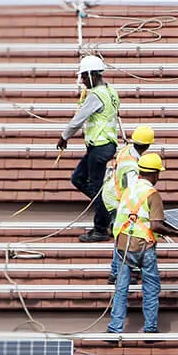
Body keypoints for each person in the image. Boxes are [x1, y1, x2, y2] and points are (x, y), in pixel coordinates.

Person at [107, 153, 178, 335]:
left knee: (121, 289)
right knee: (151, 288)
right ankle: (150, 328)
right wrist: (177, 234)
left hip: (123, 245)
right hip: (144, 246)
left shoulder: (129, 190)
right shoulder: (152, 194)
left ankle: (115, 328)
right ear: (155, 174)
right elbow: (156, 225)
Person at [57, 55, 120, 243]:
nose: (83, 81)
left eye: (84, 77)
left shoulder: (96, 95)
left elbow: (79, 119)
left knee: (96, 187)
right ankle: (108, 210)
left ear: (93, 75)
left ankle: (101, 228)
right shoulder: (110, 91)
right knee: (78, 178)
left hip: (100, 147)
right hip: (102, 146)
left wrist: (64, 137)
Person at [102, 125, 155, 285]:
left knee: (121, 234)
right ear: (147, 145)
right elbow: (133, 191)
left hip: (114, 194)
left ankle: (116, 271)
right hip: (117, 199)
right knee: (122, 234)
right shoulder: (132, 166)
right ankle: (117, 272)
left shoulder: (128, 150)